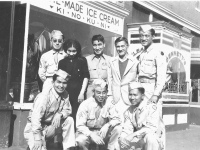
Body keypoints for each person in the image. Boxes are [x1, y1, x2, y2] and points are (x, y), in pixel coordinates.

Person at [24, 69, 75, 150]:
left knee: (69, 120)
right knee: (38, 147)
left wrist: (60, 114)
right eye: (58, 82)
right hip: (34, 129)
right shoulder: (44, 96)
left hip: (50, 127)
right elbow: (35, 119)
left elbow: (68, 110)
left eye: (64, 83)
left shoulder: (65, 94)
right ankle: (33, 145)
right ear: (53, 82)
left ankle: (68, 148)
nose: (61, 86)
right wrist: (37, 138)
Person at [136, 24, 167, 149]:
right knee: (143, 122)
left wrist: (156, 94)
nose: (144, 38)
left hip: (152, 90)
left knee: (155, 123)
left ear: (153, 36)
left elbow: (161, 76)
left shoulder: (158, 52)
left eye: (147, 36)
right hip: (142, 90)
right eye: (141, 35)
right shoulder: (141, 53)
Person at [76, 79, 121, 150]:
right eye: (98, 92)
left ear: (107, 92)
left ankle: (110, 148)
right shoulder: (85, 104)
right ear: (93, 92)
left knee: (118, 128)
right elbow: (80, 125)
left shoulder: (109, 102)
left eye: (104, 92)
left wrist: (107, 125)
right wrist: (91, 134)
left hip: (102, 132)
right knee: (81, 140)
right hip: (88, 133)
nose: (101, 95)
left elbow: (117, 119)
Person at [119, 82, 164, 150]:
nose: (132, 97)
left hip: (154, 140)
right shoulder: (128, 111)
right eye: (130, 95)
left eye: (135, 95)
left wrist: (133, 135)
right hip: (139, 140)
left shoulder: (151, 108)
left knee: (150, 138)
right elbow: (127, 129)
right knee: (121, 141)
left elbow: (151, 128)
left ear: (142, 96)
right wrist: (122, 138)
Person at [58, 39, 89, 122]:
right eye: (69, 51)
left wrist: (82, 93)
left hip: (79, 92)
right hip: (66, 92)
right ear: (65, 50)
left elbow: (86, 77)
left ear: (78, 50)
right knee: (67, 113)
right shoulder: (62, 62)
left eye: (74, 51)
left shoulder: (82, 60)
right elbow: (60, 79)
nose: (71, 53)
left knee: (78, 114)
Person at [107, 37, 138, 121]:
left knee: (128, 122)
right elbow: (109, 79)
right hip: (115, 97)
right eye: (118, 46)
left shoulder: (135, 61)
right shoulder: (112, 61)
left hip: (129, 97)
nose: (120, 49)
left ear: (127, 46)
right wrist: (110, 95)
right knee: (115, 121)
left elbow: (137, 80)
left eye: (122, 46)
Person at [86, 34, 111, 98]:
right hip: (91, 92)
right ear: (92, 46)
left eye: (99, 44)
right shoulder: (87, 59)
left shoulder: (109, 59)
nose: (97, 48)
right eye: (95, 45)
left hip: (104, 92)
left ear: (104, 45)